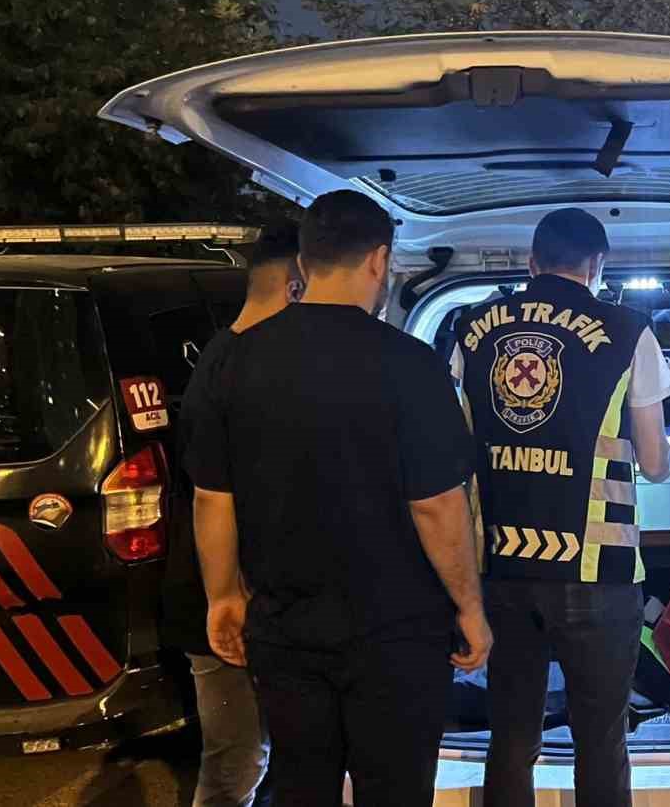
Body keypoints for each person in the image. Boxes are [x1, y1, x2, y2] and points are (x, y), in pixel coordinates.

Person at [187, 190, 492, 807]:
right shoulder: (411, 364)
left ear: (304, 263)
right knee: (395, 791)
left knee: (300, 786)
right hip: (398, 634)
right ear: (379, 260)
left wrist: (223, 597)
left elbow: (212, 497)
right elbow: (437, 505)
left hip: (285, 628)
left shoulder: (235, 361)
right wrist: (468, 607)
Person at [449, 207, 670, 807]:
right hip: (596, 570)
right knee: (600, 740)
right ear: (598, 264)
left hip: (501, 566)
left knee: (511, 736)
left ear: (532, 263)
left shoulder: (473, 329)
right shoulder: (627, 330)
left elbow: (455, 448)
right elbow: (654, 460)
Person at [170, 219, 303, 807]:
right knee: (236, 764)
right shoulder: (240, 371)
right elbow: (215, 498)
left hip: (237, 597)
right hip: (229, 603)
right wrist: (229, 596)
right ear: (298, 285)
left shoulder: (224, 359)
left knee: (252, 757)